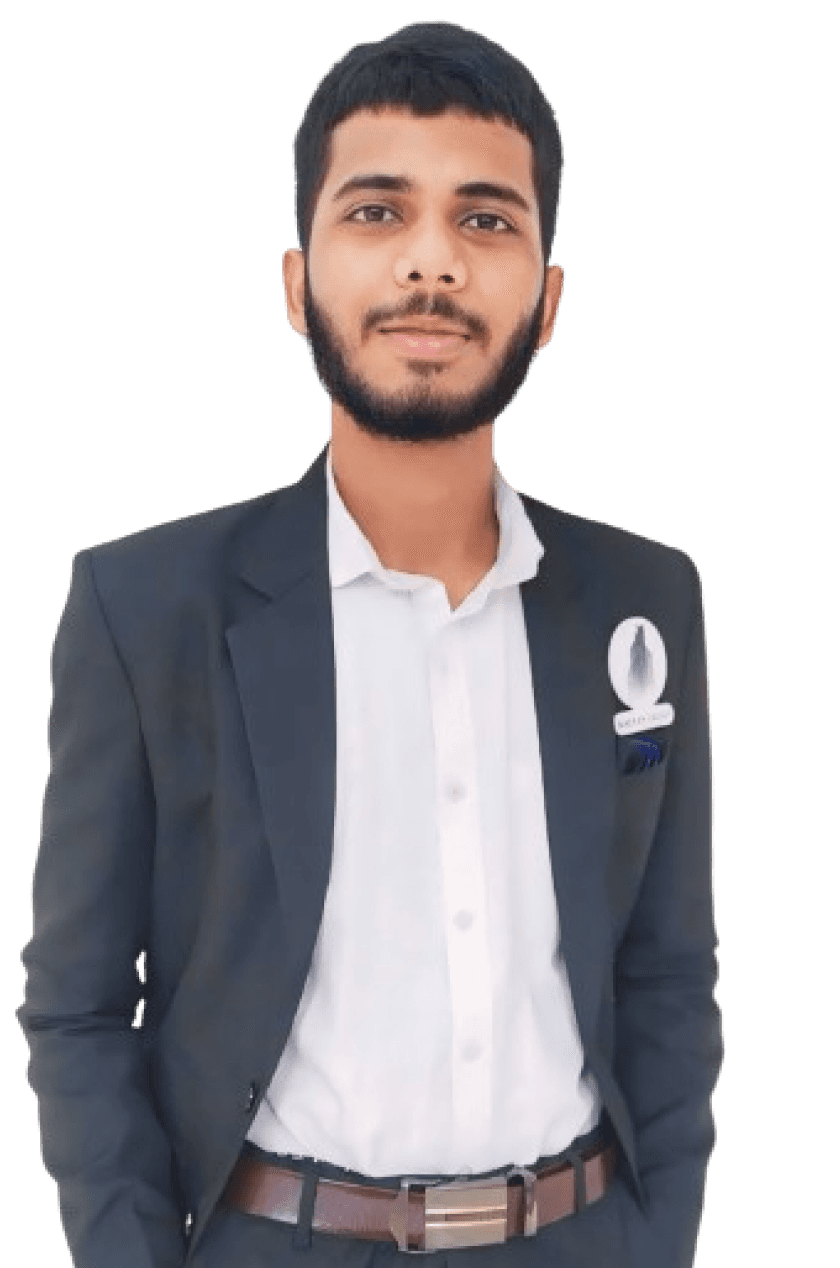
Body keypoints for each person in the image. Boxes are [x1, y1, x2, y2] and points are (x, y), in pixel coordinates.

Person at [18, 20, 723, 1268]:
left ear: (549, 303)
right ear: (297, 284)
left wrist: (656, 1235)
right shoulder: (147, 607)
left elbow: (669, 971)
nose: (432, 260)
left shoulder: (645, 598)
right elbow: (76, 1005)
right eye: (378, 211)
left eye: (486, 219)